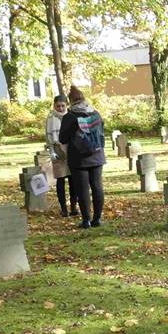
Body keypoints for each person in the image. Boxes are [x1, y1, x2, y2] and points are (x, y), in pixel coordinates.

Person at [58, 86, 105, 228]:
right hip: (97, 155)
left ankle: (86, 220)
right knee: (97, 186)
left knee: (82, 189)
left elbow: (63, 138)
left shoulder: (70, 116)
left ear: (71, 101)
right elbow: (101, 131)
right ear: (83, 98)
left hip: (78, 159)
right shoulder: (95, 113)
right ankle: (97, 219)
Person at [45, 95, 79, 218]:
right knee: (60, 179)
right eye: (58, 106)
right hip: (57, 149)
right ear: (54, 105)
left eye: (62, 106)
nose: (60, 108)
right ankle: (63, 208)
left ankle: (74, 207)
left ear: (67, 105)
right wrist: (51, 151)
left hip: (70, 149)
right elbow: (48, 137)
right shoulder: (51, 118)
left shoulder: (70, 117)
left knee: (72, 179)